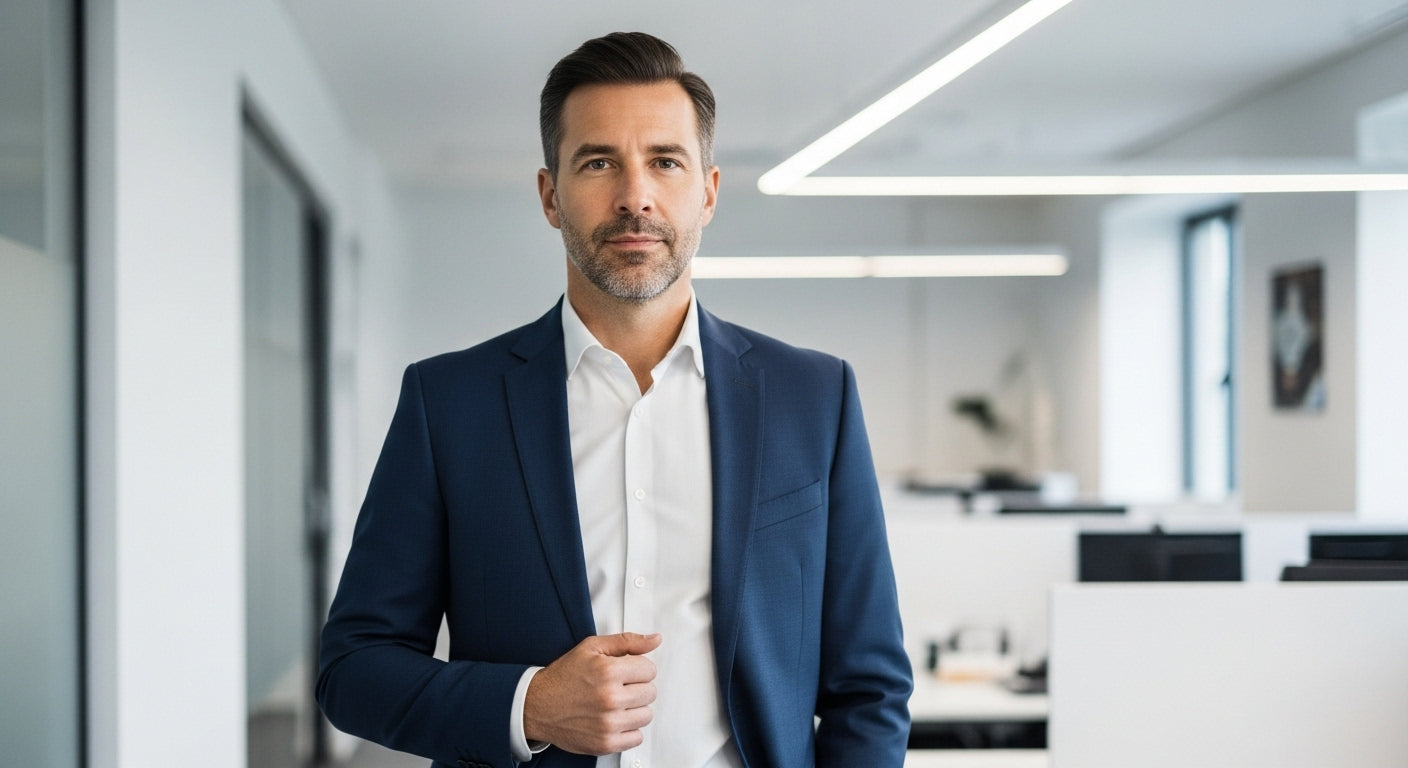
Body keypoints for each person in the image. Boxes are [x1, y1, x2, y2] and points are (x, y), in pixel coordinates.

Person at [316, 31, 912, 768]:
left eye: (665, 161)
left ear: (708, 191)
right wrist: (527, 704)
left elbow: (870, 687)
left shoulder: (813, 399)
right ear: (550, 195)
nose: (635, 195)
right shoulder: (449, 404)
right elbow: (353, 668)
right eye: (599, 163)